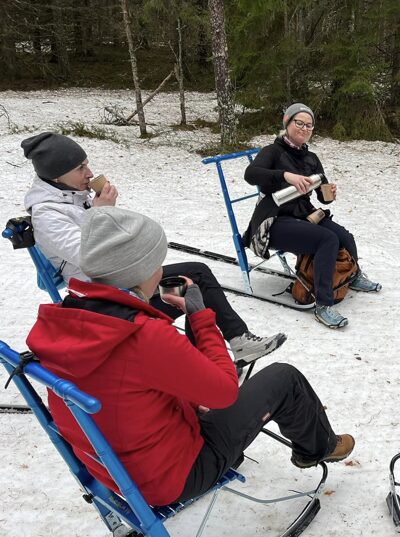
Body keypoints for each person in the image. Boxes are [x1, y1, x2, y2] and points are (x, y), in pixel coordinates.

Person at [26, 207, 355, 506]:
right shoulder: (146, 336)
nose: (162, 268)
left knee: (200, 394)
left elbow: (128, 376)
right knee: (284, 378)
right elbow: (224, 393)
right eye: (157, 261)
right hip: (169, 477)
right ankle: (318, 447)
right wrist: (199, 316)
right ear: (143, 270)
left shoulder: (66, 317)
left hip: (110, 468)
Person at [20, 132, 285, 365]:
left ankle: (233, 344)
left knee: (196, 275)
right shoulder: (47, 214)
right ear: (56, 174)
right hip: (107, 300)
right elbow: (91, 258)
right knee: (194, 286)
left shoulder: (74, 195)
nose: (89, 173)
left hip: (123, 281)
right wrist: (100, 214)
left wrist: (107, 214)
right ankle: (211, 358)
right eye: (80, 168)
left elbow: (114, 238)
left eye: (87, 164)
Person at [242, 103, 381, 329]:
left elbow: (323, 197)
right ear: (287, 122)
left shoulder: (311, 158)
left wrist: (330, 193)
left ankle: (352, 276)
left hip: (304, 214)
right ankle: (323, 305)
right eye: (299, 123)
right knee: (327, 240)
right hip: (275, 220)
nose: (305, 128)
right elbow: (251, 174)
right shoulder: (272, 152)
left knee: (344, 236)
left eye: (309, 125)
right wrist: (286, 176)